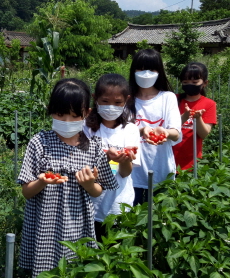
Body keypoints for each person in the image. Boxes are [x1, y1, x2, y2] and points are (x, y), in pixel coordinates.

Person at [17, 78, 118, 277]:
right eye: (60, 115)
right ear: (51, 110)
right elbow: (27, 192)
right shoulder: (39, 142)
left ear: (86, 113)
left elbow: (99, 190)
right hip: (44, 223)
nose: (67, 122)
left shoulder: (94, 147)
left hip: (77, 222)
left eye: (74, 116)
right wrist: (42, 181)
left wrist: (89, 184)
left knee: (74, 267)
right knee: (45, 270)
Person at [83, 73, 140, 240]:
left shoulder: (130, 130)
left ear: (126, 101)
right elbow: (82, 163)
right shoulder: (86, 128)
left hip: (119, 205)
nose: (111, 107)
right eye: (105, 101)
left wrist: (125, 160)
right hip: (91, 206)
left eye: (117, 103)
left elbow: (125, 173)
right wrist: (106, 158)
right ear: (95, 99)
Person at [129, 49, 182, 206]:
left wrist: (165, 132)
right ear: (133, 71)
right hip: (132, 173)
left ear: (159, 71)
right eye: (141, 69)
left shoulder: (167, 98)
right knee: (131, 220)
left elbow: (176, 133)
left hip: (161, 170)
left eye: (151, 69)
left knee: (160, 220)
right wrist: (140, 131)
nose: (146, 74)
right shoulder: (125, 99)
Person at [173, 62, 217, 170]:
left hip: (191, 160)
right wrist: (185, 116)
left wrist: (198, 118)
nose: (190, 85)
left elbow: (204, 134)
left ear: (205, 83)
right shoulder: (173, 99)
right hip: (169, 156)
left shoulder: (209, 104)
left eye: (194, 82)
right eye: (185, 82)